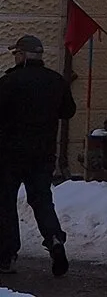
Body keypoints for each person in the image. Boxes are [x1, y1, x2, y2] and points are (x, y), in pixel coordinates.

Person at [0, 35, 73, 276]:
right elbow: (68, 111)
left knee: (6, 202)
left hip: (10, 155)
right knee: (42, 199)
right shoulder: (56, 81)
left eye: (16, 53)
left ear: (22, 55)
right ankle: (54, 240)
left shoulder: (9, 82)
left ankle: (7, 254)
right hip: (43, 154)